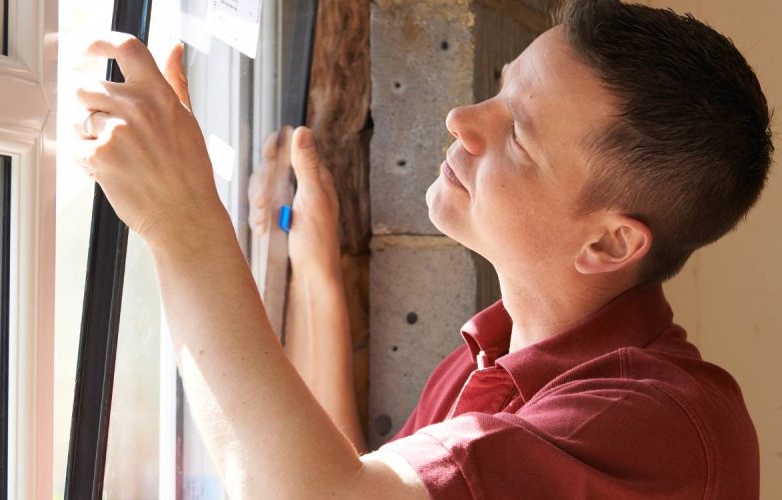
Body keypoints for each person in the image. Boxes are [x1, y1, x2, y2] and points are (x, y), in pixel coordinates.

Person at [72, 0, 773, 497]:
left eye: (519, 134)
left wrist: (185, 222)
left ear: (609, 241)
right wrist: (316, 271)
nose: (462, 119)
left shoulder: (656, 426)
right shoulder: (483, 364)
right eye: (500, 90)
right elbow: (355, 479)